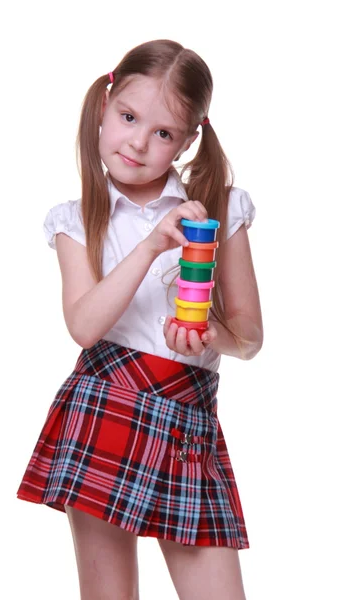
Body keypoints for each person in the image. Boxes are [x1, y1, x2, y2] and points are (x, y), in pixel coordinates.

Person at [17, 39, 263, 600]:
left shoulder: (220, 210)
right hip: (105, 408)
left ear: (189, 139)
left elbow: (250, 338)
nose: (138, 142)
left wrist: (211, 333)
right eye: (129, 117)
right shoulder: (75, 220)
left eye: (163, 133)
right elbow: (83, 326)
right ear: (105, 107)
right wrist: (152, 245)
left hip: (186, 421)